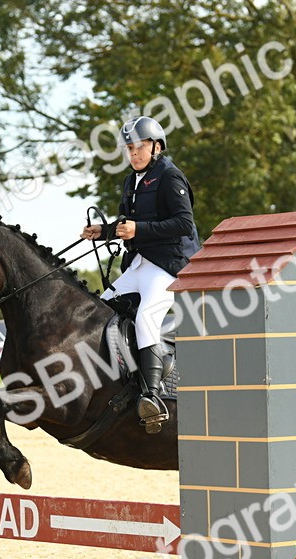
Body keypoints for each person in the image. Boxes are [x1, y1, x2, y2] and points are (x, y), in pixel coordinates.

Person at [80, 115, 200, 428]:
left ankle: (152, 396)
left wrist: (139, 229)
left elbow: (184, 224)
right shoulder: (130, 181)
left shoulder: (170, 177)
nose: (133, 153)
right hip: (139, 264)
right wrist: (104, 232)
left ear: (156, 147)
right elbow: (127, 226)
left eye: (139, 147)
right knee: (100, 310)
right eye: (129, 149)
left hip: (169, 267)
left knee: (146, 317)